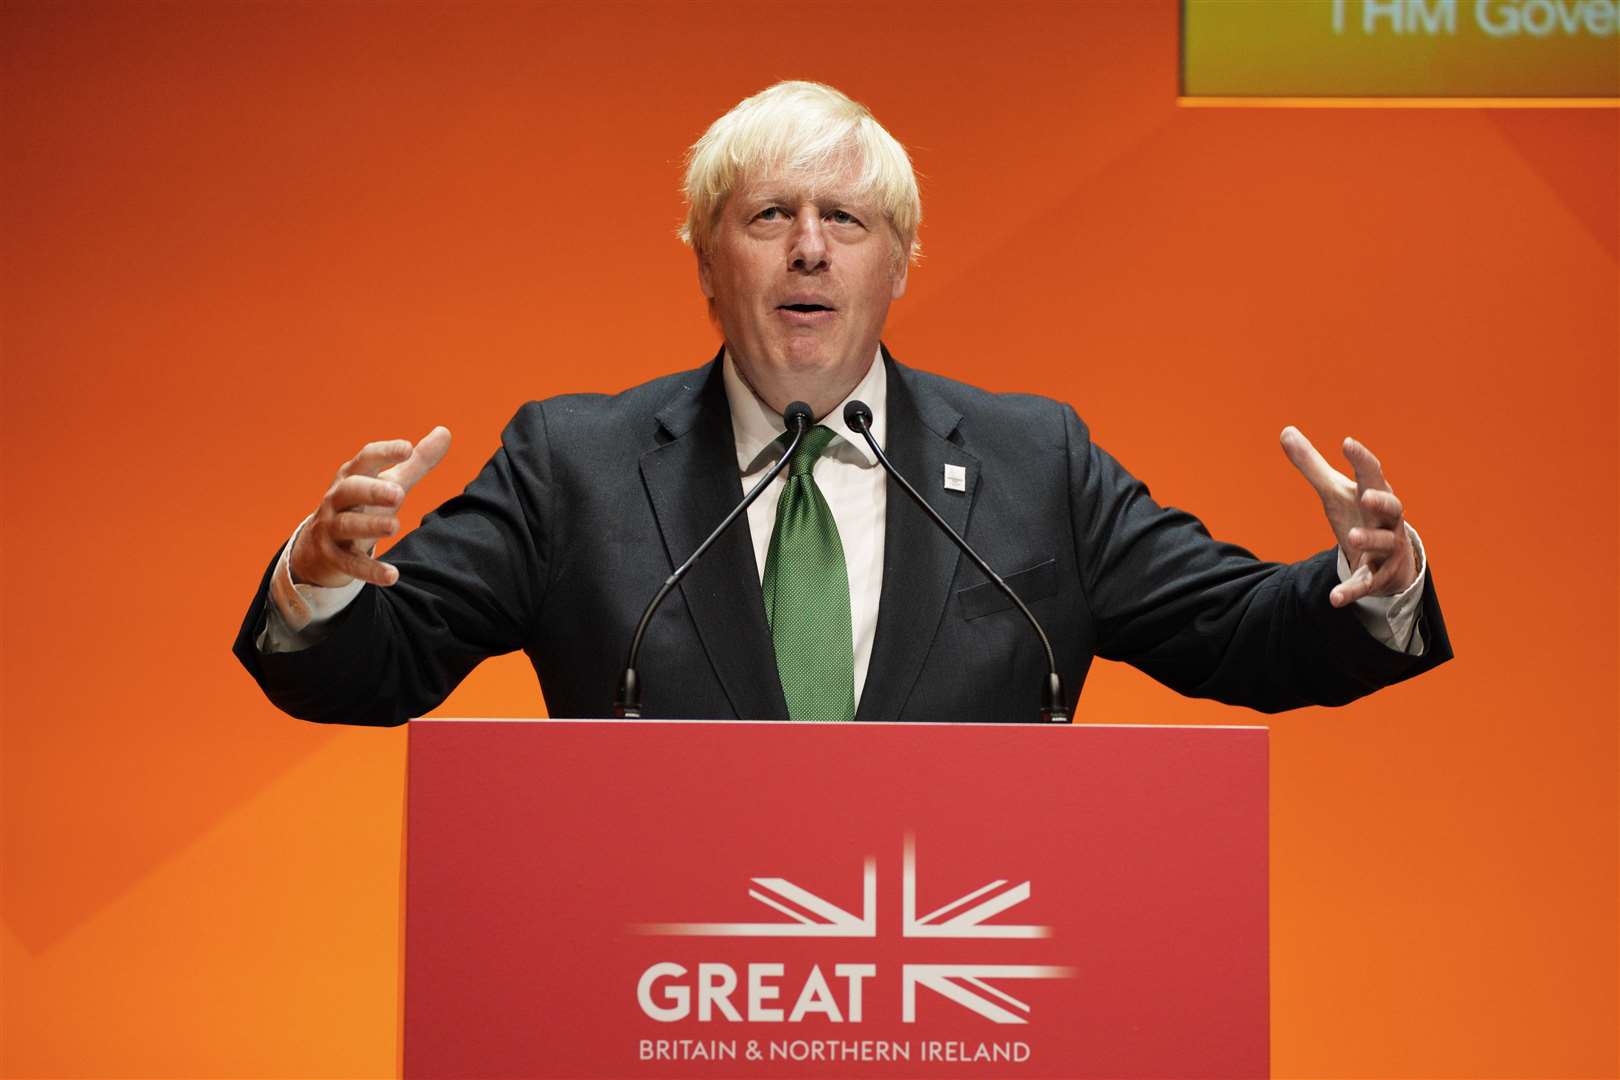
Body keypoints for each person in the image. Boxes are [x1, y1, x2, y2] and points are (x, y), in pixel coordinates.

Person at [233, 81, 1450, 726]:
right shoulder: (576, 464)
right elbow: (368, 674)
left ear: (899, 262)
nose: (808, 251)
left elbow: (1239, 633)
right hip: (665, 1005)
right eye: (769, 217)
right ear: (707, 260)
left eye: (845, 221)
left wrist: (1371, 587)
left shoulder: (1036, 462)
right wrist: (323, 576)